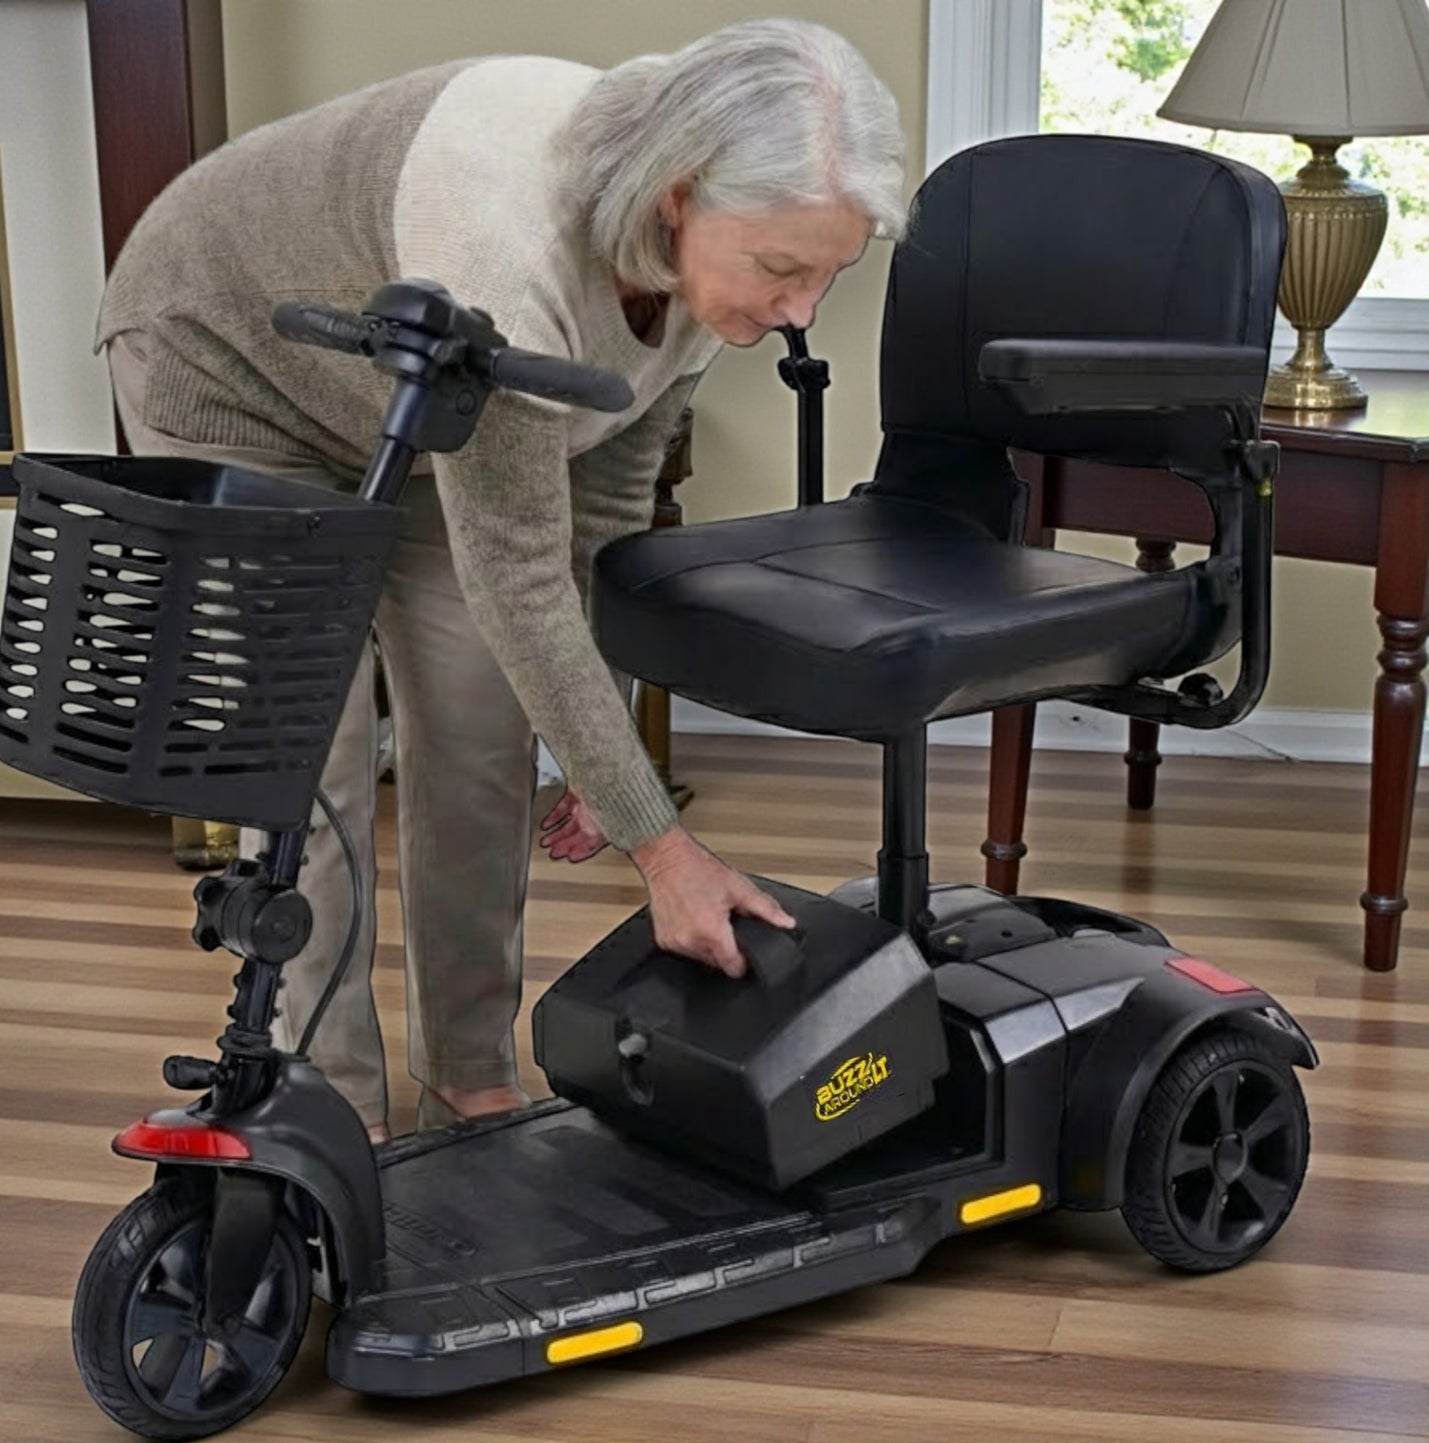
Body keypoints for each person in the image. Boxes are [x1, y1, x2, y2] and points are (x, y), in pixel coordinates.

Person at [95, 19, 908, 1141]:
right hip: (234, 364)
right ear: (677, 197)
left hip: (418, 400)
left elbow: (601, 513)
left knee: (481, 727)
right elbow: (519, 577)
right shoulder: (505, 239)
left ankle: (467, 1075)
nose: (799, 312)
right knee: (312, 765)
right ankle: (329, 1109)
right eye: (780, 269)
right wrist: (661, 850)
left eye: (827, 274)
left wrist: (600, 752)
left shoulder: (705, 265)